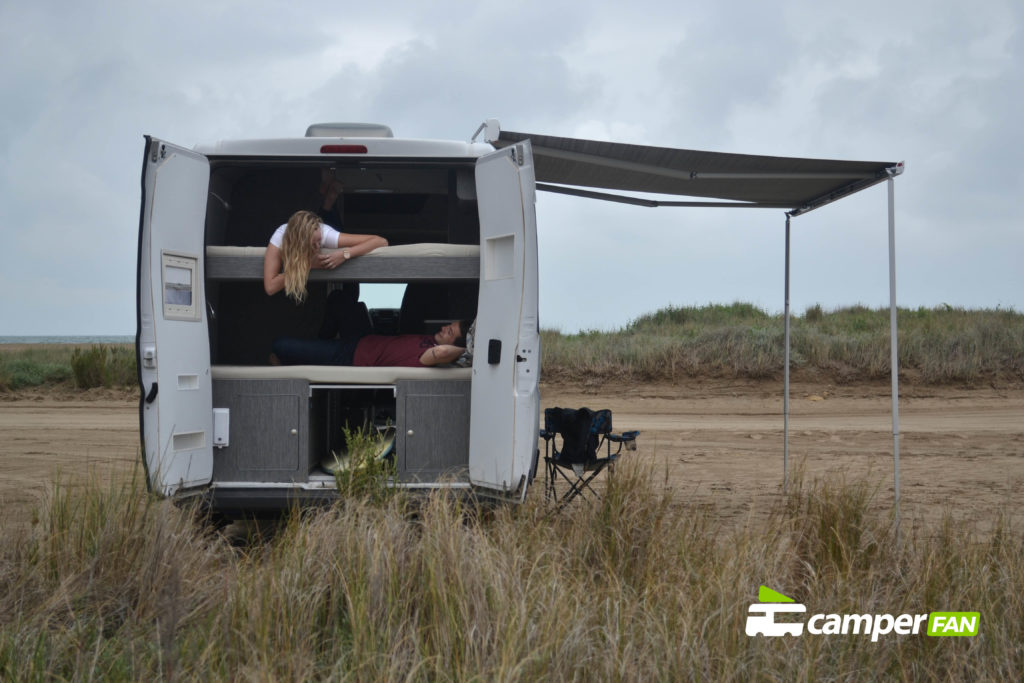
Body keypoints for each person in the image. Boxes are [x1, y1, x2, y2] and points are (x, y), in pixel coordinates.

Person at [263, 174, 388, 303]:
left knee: (334, 226)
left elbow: (381, 241)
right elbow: (270, 287)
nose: (318, 247)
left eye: (319, 241)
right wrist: (307, 265)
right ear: (299, 243)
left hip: (329, 230)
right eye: (313, 244)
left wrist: (344, 254)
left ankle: (329, 201)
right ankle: (328, 198)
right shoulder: (280, 237)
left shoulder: (325, 233)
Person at [272, 305, 473, 367]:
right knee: (340, 299)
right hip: (363, 338)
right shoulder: (429, 338)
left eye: (450, 332)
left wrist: (470, 349)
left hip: (351, 356)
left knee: (280, 345)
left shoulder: (431, 355)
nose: (445, 328)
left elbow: (444, 351)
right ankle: (320, 346)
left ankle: (317, 352)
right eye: (448, 325)